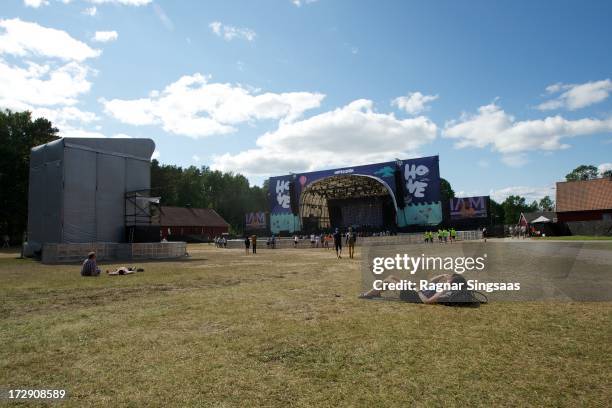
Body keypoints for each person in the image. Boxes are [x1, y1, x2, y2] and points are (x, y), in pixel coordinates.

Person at [360, 273, 467, 304]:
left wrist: (419, 291)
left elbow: (427, 301)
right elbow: (430, 282)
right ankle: (376, 292)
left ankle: (368, 295)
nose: (448, 279)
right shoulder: (445, 286)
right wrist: (442, 275)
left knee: (388, 281)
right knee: (392, 277)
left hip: (414, 296)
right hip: (415, 291)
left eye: (450, 278)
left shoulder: (444, 290)